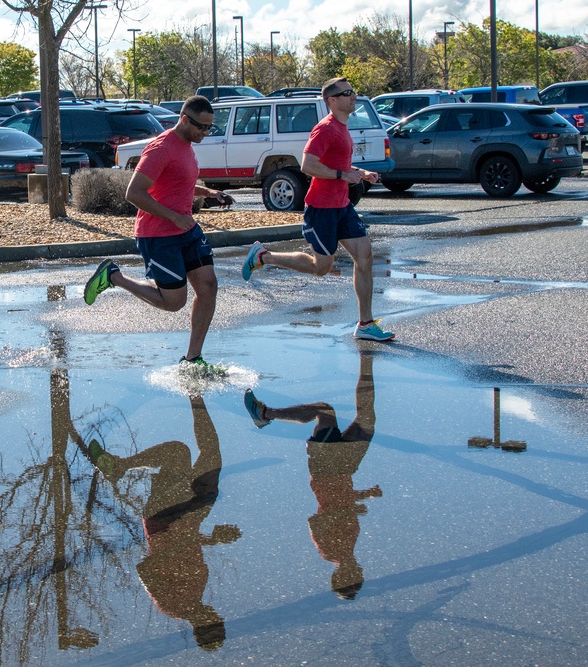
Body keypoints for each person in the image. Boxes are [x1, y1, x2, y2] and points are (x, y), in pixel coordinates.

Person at [83, 95, 234, 373]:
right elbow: (134, 193)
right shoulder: (161, 148)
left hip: (185, 228)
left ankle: (192, 359)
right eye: (201, 127)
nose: (205, 133)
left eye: (209, 128)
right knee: (174, 302)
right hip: (158, 234)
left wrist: (209, 192)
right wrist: (174, 217)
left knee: (208, 287)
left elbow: (179, 182)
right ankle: (113, 276)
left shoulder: (188, 146)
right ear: (185, 119)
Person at [240, 78, 395, 342]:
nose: (352, 96)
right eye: (346, 93)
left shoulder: (343, 128)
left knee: (365, 257)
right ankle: (263, 256)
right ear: (331, 100)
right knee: (322, 267)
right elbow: (307, 165)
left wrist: (360, 173)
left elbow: (340, 167)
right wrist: (343, 175)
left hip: (342, 206)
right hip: (321, 208)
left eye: (353, 91)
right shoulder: (325, 129)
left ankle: (366, 324)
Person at [83, 395, 238, 651]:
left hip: (165, 518)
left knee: (178, 453)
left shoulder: (172, 605)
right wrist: (211, 538)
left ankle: (120, 467)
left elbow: (146, 569)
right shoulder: (198, 593)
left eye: (213, 621)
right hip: (191, 514)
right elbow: (188, 549)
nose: (214, 614)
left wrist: (184, 535)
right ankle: (195, 397)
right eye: (218, 618)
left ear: (202, 626)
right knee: (210, 453)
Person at [243, 348, 382, 598]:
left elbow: (316, 520)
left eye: (349, 576)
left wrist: (350, 506)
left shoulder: (329, 551)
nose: (355, 570)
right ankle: (367, 363)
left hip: (327, 470)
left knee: (325, 411)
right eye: (357, 574)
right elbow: (340, 505)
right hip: (343, 470)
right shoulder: (349, 546)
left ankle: (265, 414)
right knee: (367, 417)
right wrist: (359, 498)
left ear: (340, 575)